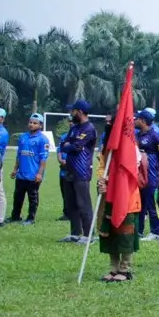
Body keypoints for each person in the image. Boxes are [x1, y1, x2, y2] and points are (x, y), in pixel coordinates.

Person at [94, 125, 149, 282]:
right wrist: (101, 181)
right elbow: (102, 167)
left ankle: (125, 269)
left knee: (125, 233)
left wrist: (110, 181)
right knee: (109, 231)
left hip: (127, 198)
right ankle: (113, 267)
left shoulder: (131, 149)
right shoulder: (106, 149)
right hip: (108, 197)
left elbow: (130, 173)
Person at [59, 100, 98, 243]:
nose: (71, 113)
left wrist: (70, 145)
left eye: (73, 111)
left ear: (80, 112)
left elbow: (75, 147)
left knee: (83, 204)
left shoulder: (89, 128)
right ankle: (75, 233)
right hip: (69, 169)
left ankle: (89, 235)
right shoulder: (74, 128)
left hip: (82, 171)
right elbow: (63, 145)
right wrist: (69, 145)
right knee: (71, 204)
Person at [132, 110, 159, 240]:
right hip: (138, 175)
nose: (134, 121)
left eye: (136, 119)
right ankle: (139, 230)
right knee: (139, 203)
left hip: (151, 174)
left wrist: (158, 168)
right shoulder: (137, 135)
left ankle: (155, 232)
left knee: (151, 202)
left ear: (142, 120)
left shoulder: (155, 136)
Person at [9, 113, 49, 225]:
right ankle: (15, 216)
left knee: (33, 197)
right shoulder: (23, 137)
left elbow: (43, 158)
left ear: (40, 125)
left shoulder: (43, 139)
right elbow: (19, 154)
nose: (31, 124)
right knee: (18, 196)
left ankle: (31, 218)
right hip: (21, 174)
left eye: (35, 123)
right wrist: (15, 169)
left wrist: (39, 174)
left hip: (33, 174)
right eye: (30, 122)